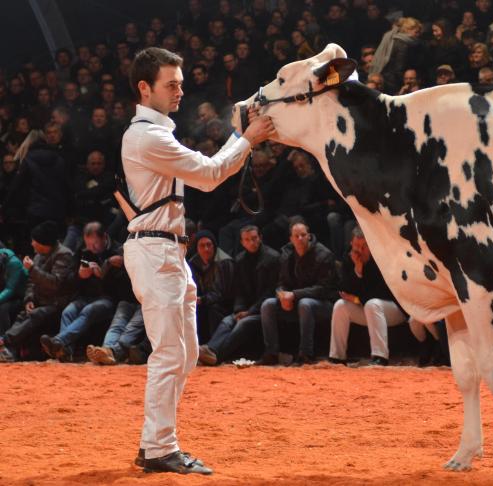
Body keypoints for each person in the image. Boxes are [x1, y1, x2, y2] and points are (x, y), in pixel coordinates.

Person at [120, 47, 273, 475]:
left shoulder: (154, 134)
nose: (180, 90)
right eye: (171, 84)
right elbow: (207, 175)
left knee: (183, 354)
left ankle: (157, 444)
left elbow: (205, 169)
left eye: (180, 83)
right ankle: (158, 448)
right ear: (145, 88)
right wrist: (248, 139)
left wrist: (242, 137)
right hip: (156, 251)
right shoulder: (147, 136)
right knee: (171, 354)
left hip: (168, 250)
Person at [328, 227, 427, 366]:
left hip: (393, 309)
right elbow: (343, 290)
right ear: (351, 243)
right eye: (356, 246)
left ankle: (380, 357)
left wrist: (357, 299)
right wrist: (357, 269)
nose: (360, 250)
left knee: (372, 304)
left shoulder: (380, 258)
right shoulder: (348, 257)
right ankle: (337, 357)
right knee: (340, 306)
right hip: (369, 309)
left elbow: (381, 292)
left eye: (364, 246)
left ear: (370, 244)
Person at [198, 225, 279, 365]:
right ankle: (209, 349)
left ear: (260, 238)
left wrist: (249, 312)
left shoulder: (272, 258)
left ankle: (215, 354)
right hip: (246, 308)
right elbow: (239, 290)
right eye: (247, 240)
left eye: (254, 238)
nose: (251, 242)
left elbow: (269, 292)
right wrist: (238, 310)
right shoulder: (240, 259)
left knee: (243, 323)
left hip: (263, 310)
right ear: (242, 242)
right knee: (228, 321)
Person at [260, 220, 337, 366]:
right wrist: (282, 295)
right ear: (291, 239)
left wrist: (294, 295)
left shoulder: (324, 255)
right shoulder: (286, 253)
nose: (300, 238)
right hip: (294, 301)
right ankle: (271, 353)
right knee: (267, 305)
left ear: (309, 236)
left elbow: (323, 289)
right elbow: (281, 283)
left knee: (305, 304)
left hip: (324, 304)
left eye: (303, 235)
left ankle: (305, 355)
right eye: (296, 236)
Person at [39, 222, 120, 361]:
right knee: (68, 311)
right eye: (88, 244)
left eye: (95, 244)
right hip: (85, 296)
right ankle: (65, 351)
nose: (91, 248)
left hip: (108, 298)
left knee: (88, 311)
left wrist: (105, 271)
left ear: (104, 237)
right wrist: (80, 276)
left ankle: (59, 341)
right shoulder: (82, 250)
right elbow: (68, 280)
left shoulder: (117, 251)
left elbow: (123, 284)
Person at [0, 221, 76, 362]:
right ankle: (8, 351)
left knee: (36, 315)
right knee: (23, 315)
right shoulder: (39, 255)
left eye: (34, 241)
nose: (32, 244)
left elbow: (55, 284)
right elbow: (30, 282)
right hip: (39, 301)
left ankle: (4, 341)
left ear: (44, 243)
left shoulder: (64, 255)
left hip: (56, 303)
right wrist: (29, 299)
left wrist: (33, 269)